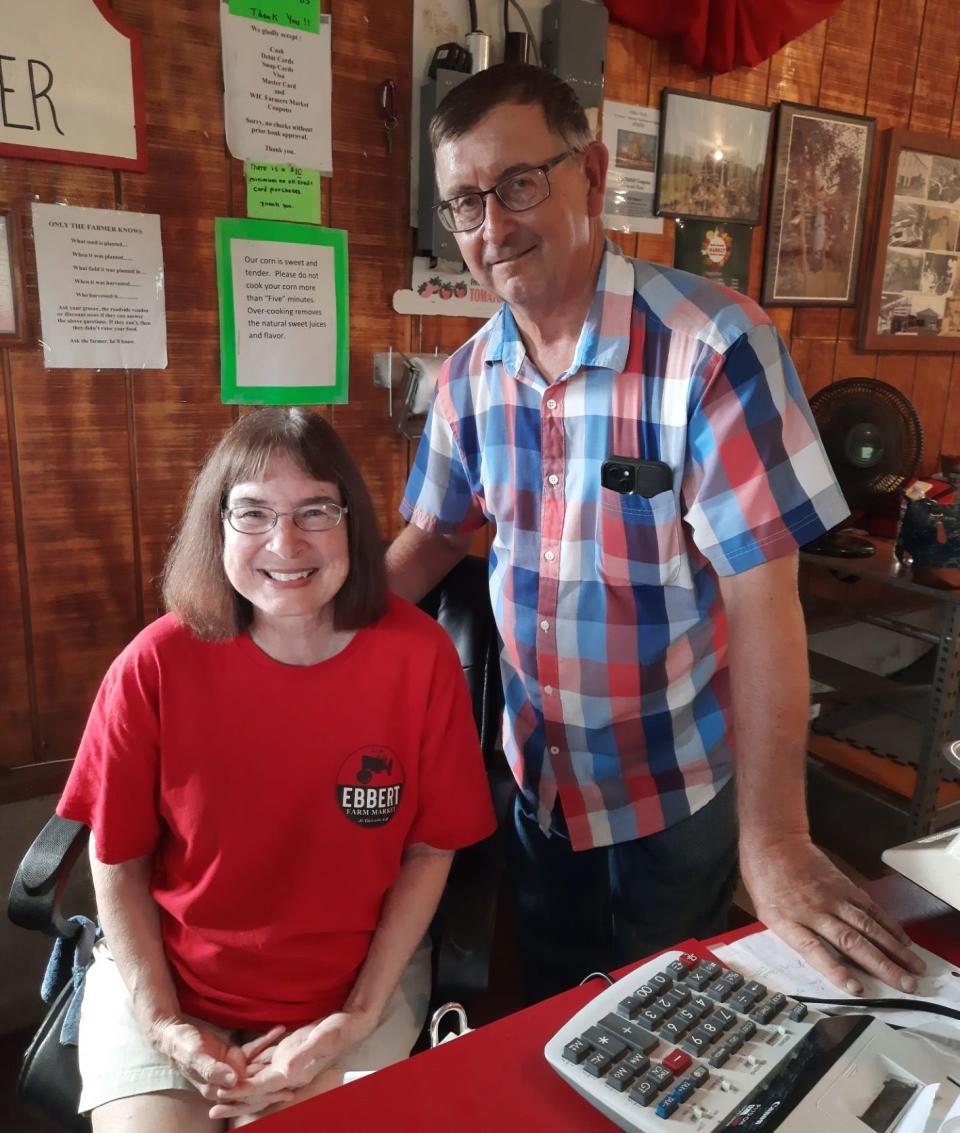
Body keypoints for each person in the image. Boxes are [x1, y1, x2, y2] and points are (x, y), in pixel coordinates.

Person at [387, 63, 925, 1004]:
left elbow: (766, 599)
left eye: (518, 184)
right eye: (464, 204)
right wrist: (284, 638)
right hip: (535, 781)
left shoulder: (714, 346)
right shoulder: (467, 378)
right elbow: (431, 540)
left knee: (664, 1016)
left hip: (674, 789)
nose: (492, 227)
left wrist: (779, 838)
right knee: (555, 1003)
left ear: (592, 176)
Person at [56, 407, 496, 1130]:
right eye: (252, 513)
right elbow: (120, 860)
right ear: (217, 528)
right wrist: (165, 1024)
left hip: (351, 992)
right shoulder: (154, 664)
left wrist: (351, 1022)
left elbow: (430, 847)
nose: (285, 542)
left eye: (313, 510)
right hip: (169, 989)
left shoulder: (418, 658)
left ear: (350, 522)